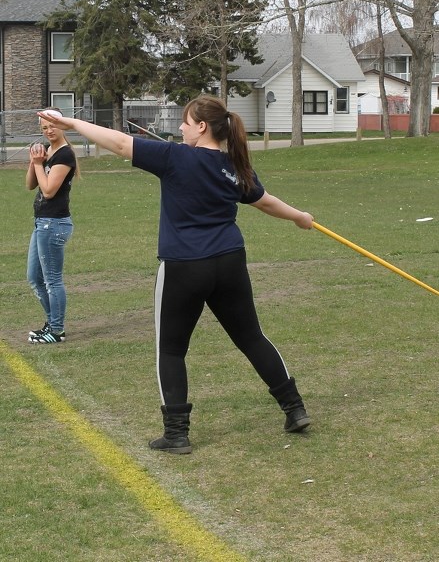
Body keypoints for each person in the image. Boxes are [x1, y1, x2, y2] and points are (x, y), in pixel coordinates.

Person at [38, 95, 314, 453]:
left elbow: (120, 143)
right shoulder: (233, 165)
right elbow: (263, 201)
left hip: (185, 266)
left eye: (185, 121)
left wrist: (71, 123)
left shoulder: (176, 156)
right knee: (251, 338)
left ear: (201, 126)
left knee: (170, 349)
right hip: (229, 262)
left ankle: (177, 434)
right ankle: (295, 409)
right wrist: (297, 216)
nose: (180, 128)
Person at [26, 108, 79, 344]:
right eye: (44, 128)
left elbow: (48, 191)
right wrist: (33, 161)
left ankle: (56, 330)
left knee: (52, 280)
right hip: (42, 223)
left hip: (54, 224)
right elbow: (31, 185)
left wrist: (40, 164)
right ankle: (52, 324)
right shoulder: (50, 150)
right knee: (34, 278)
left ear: (62, 126)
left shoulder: (65, 155)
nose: (48, 131)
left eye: (52, 126)